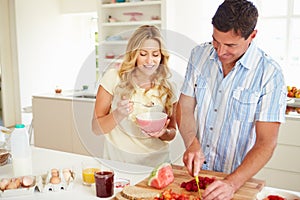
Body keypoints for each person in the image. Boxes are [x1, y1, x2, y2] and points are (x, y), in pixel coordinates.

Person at [176, 0, 286, 199]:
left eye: (230, 45)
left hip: (237, 180)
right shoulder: (199, 55)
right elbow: (184, 107)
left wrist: (231, 183)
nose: (220, 51)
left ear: (252, 36)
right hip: (199, 175)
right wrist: (192, 142)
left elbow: (266, 143)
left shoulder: (270, 74)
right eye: (216, 41)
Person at [92, 25, 177, 167]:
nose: (150, 61)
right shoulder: (113, 77)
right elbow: (96, 128)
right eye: (143, 54)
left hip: (157, 165)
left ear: (162, 56)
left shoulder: (169, 87)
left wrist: (163, 132)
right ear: (134, 54)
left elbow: (172, 132)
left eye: (155, 54)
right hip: (119, 164)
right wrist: (118, 114)